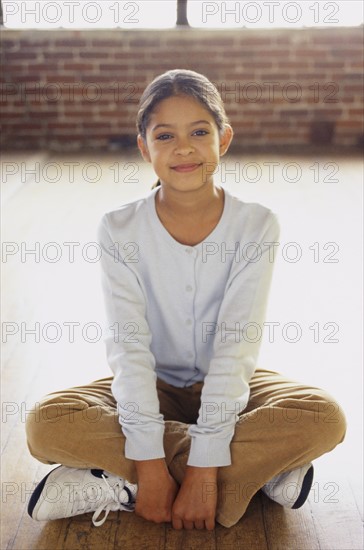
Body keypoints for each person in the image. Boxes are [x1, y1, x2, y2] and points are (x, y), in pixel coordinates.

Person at [26, 69, 346, 531]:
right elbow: (129, 347)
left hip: (235, 386)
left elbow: (236, 347)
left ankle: (130, 483)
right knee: (45, 423)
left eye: (200, 131)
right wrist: (157, 463)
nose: (184, 148)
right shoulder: (119, 229)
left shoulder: (257, 225)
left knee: (324, 417)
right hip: (150, 385)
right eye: (165, 135)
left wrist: (194, 465)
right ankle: (252, 476)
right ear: (144, 147)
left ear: (224, 138)